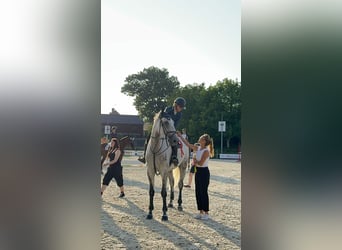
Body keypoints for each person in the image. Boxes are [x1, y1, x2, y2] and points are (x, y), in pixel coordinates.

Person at [138, 97, 186, 165]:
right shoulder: (168, 109)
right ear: (176, 105)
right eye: (180, 106)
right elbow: (163, 119)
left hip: (171, 129)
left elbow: (176, 124)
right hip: (162, 127)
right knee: (149, 138)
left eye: (182, 107)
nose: (181, 109)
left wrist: (173, 131)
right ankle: (144, 156)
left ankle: (174, 157)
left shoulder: (179, 114)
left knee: (175, 141)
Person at [178, 133, 214, 220]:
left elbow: (201, 163)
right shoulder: (198, 148)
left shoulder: (206, 151)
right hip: (198, 171)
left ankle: (206, 212)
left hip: (204, 172)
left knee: (203, 192)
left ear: (204, 141)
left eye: (201, 138)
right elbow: (188, 144)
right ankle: (200, 211)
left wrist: (194, 160)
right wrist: (180, 136)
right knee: (198, 192)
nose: (199, 139)